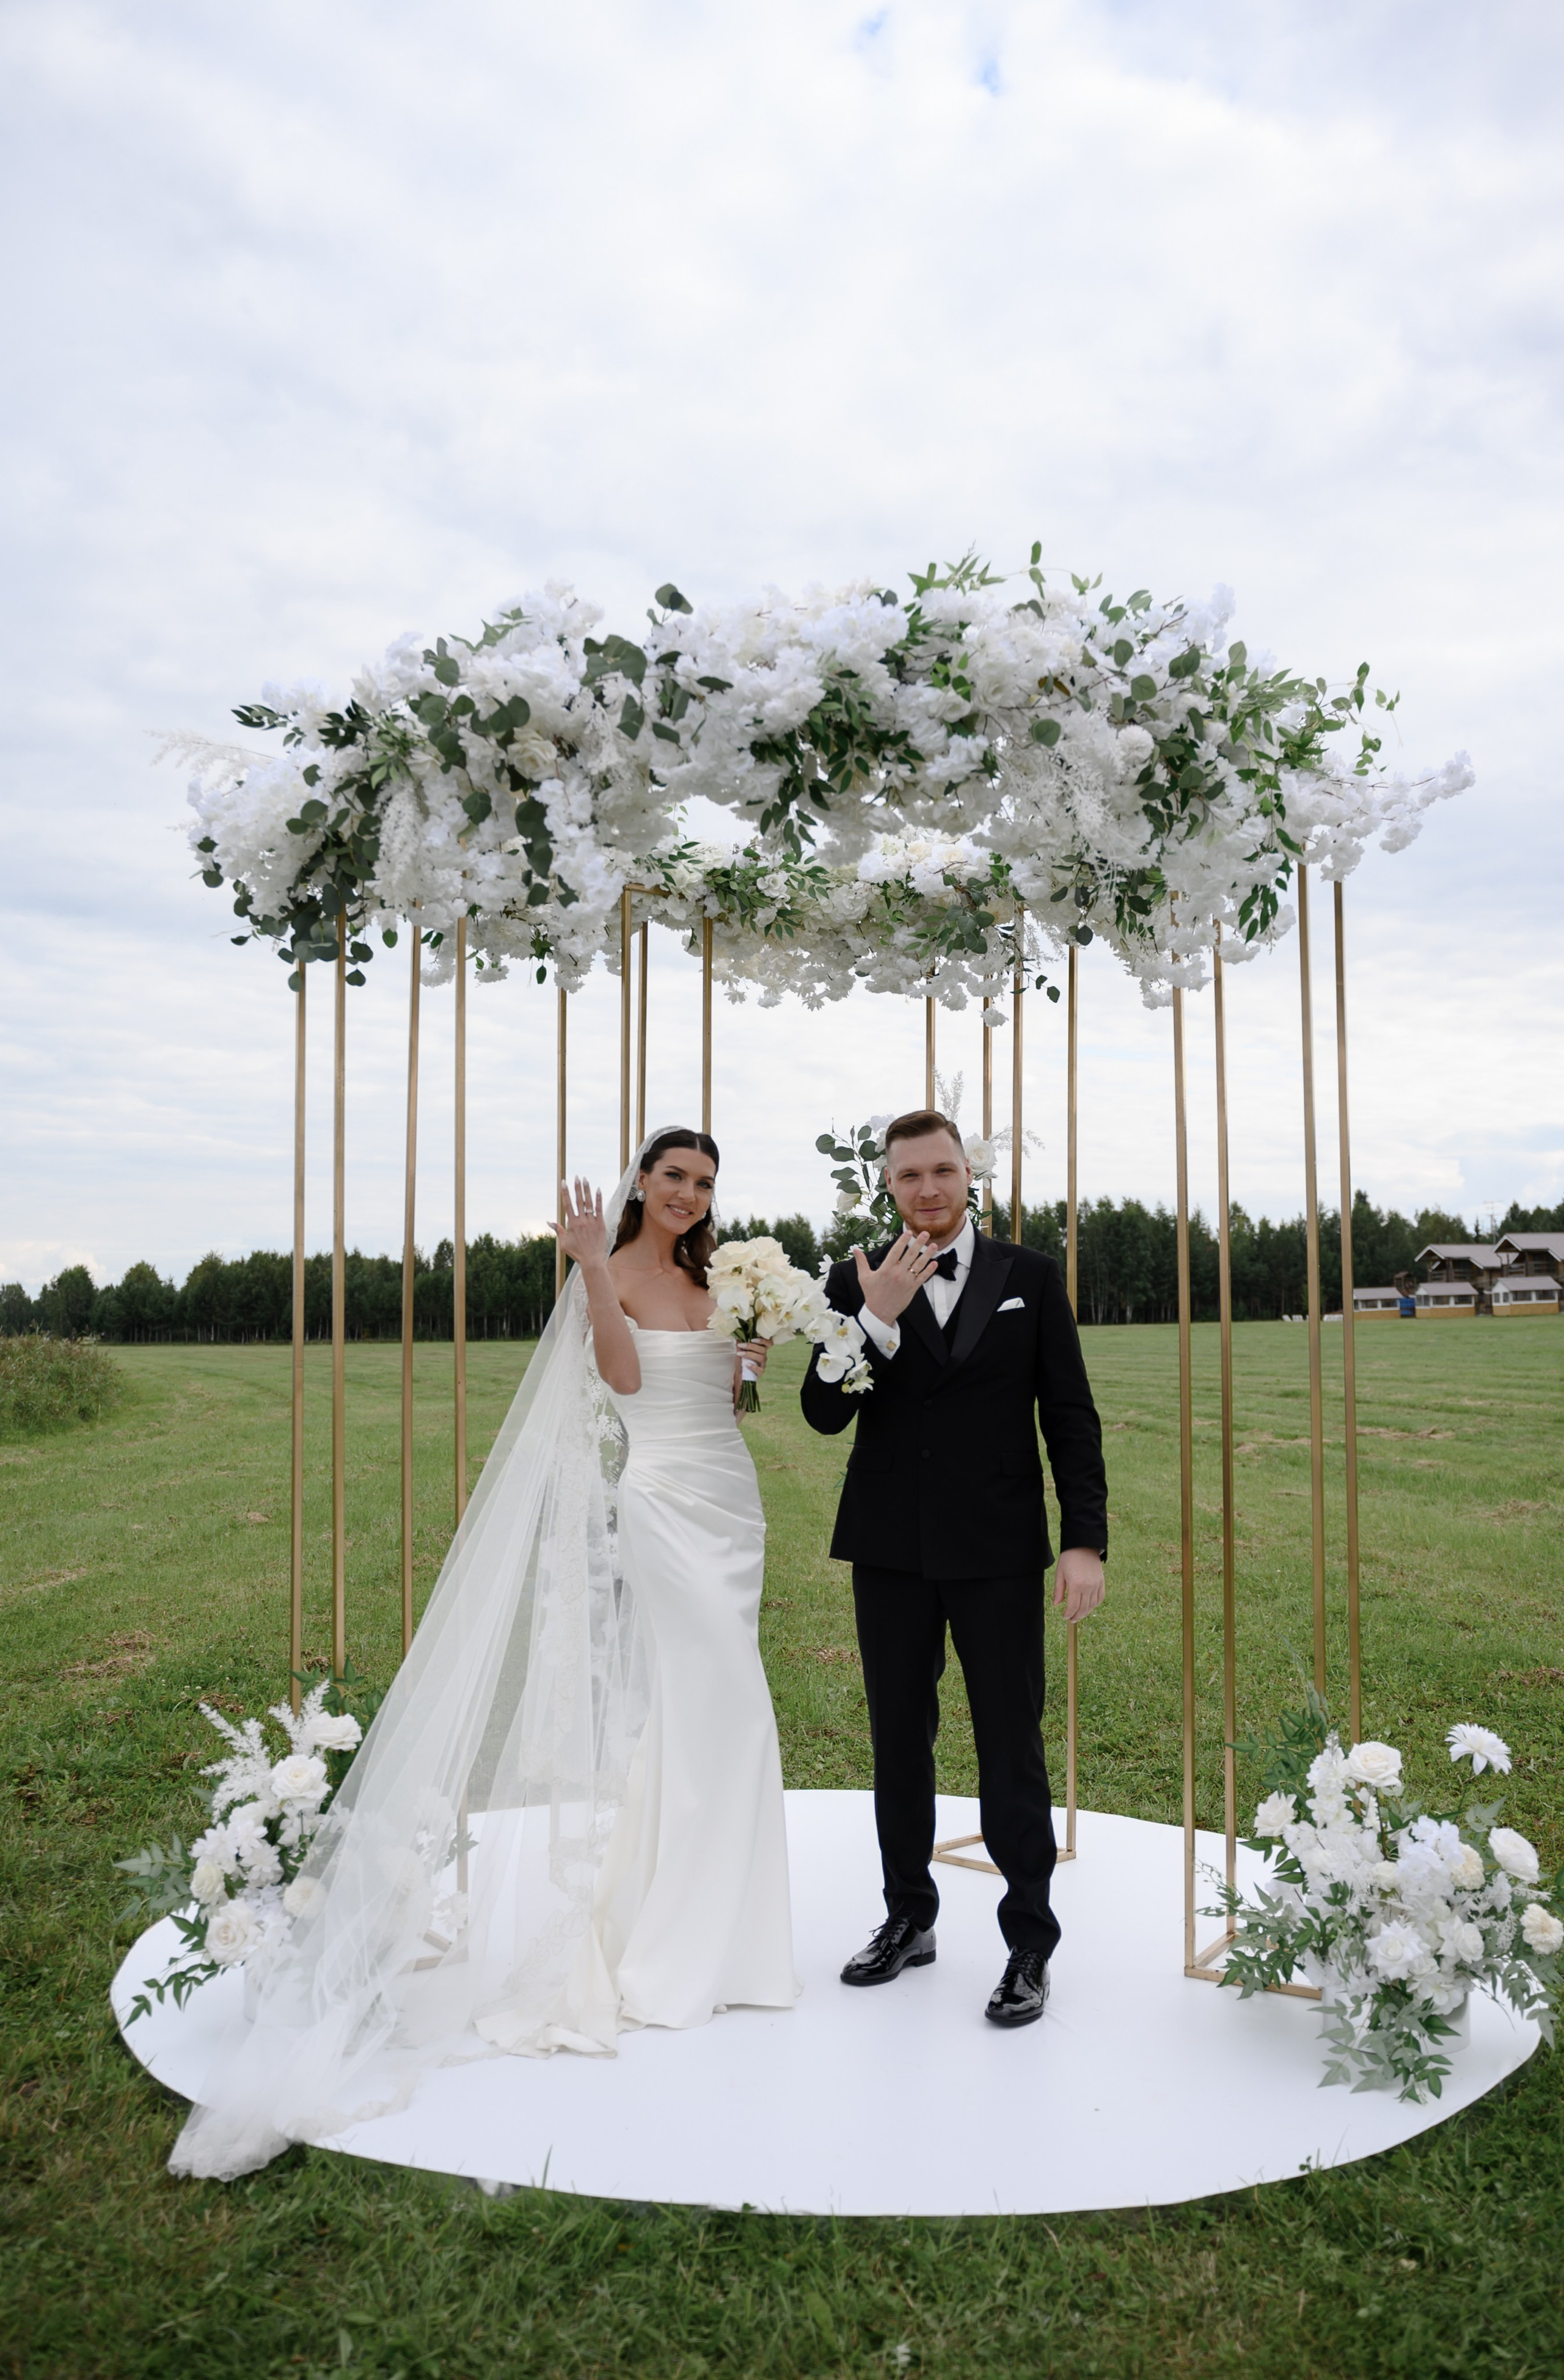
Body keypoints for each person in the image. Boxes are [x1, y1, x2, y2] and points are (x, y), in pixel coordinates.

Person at [167, 1127, 795, 2183]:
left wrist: (746, 1362)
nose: (689, 1195)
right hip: (666, 1501)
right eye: (674, 1177)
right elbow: (627, 1382)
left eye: (704, 1184)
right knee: (725, 1700)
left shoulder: (715, 1274)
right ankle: (675, 1950)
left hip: (733, 1502)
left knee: (713, 1713)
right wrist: (594, 1265)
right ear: (642, 1181)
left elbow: (719, 1396)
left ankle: (717, 1935)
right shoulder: (617, 1270)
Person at [800, 1108, 1108, 2029]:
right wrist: (875, 1321)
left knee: (1010, 1742)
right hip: (890, 1549)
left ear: (968, 1174)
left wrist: (1082, 1539)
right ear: (887, 1186)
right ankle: (908, 1917)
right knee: (900, 1738)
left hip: (999, 1550)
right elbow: (821, 1411)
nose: (927, 1190)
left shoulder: (1030, 1277)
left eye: (942, 1171)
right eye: (908, 1177)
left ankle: (1028, 1943)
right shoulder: (850, 1280)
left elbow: (1070, 1413)